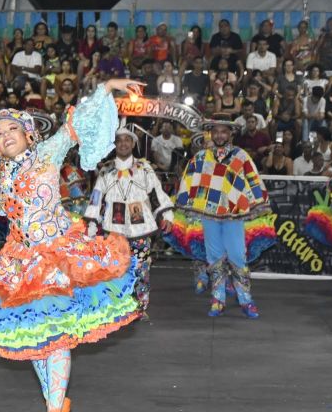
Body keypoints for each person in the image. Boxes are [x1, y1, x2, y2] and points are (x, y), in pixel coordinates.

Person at [0, 78, 142, 412]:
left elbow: (78, 122)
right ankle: (56, 404)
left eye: (11, 129)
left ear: (29, 134)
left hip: (58, 255)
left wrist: (106, 87)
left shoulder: (48, 154)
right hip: (19, 260)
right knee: (33, 340)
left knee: (55, 339)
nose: (4, 136)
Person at [176, 119, 269, 318]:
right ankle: (218, 299)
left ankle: (245, 299)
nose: (219, 135)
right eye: (215, 132)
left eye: (223, 132)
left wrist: (258, 202)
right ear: (210, 134)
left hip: (234, 214)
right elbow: (189, 180)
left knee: (237, 255)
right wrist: (186, 202)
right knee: (214, 257)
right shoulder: (201, 157)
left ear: (231, 134)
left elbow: (253, 180)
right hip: (209, 214)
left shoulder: (241, 156)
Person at [85, 125, 174, 319]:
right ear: (114, 144)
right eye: (119, 140)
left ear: (133, 144)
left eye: (127, 140)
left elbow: (156, 193)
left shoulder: (144, 168)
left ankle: (140, 307)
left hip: (141, 229)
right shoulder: (106, 170)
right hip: (113, 230)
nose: (123, 143)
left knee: (141, 268)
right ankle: (118, 307)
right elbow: (97, 197)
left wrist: (166, 215)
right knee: (115, 269)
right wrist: (92, 224)